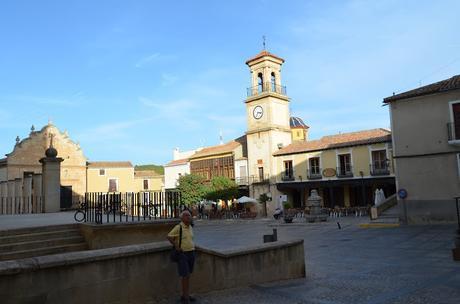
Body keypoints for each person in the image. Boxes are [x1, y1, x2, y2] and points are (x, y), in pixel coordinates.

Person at [167, 210, 196, 304]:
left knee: (188, 276)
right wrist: (176, 246)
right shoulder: (178, 227)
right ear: (182, 218)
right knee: (185, 275)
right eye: (186, 215)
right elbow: (169, 236)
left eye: (189, 215)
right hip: (183, 254)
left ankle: (186, 294)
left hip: (191, 252)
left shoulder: (190, 227)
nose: (189, 217)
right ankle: (185, 297)